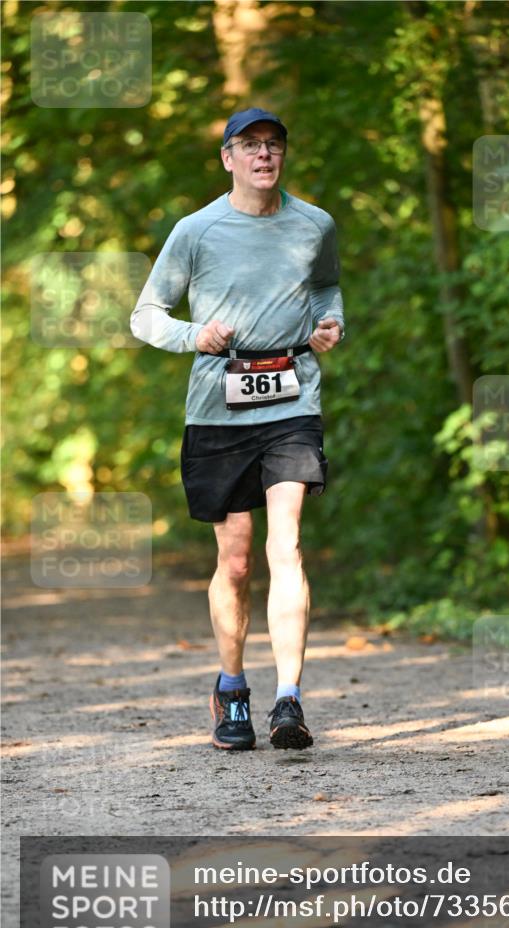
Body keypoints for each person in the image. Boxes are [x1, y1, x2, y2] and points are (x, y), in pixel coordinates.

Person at [130, 108, 344, 753]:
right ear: (228, 158)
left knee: (288, 547)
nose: (263, 155)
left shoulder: (314, 224)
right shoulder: (196, 230)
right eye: (249, 146)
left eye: (273, 145)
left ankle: (289, 702)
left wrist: (330, 326)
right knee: (239, 558)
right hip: (218, 405)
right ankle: (231, 689)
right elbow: (146, 315)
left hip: (291, 396)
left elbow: (328, 289)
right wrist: (196, 335)